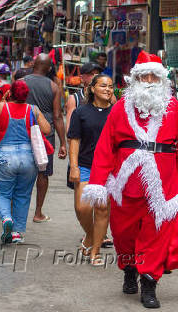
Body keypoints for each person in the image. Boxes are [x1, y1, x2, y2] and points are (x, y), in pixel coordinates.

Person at [82, 51, 178, 308]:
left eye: (155, 75)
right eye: (144, 75)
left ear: (162, 78)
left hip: (162, 186)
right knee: (123, 234)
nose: (150, 80)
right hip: (125, 185)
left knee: (155, 236)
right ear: (135, 78)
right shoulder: (120, 107)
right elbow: (105, 146)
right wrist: (98, 180)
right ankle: (129, 269)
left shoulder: (174, 107)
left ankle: (149, 284)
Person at [0, 80, 51, 243]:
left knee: (3, 193)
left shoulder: (2, 107)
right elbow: (47, 129)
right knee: (22, 195)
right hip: (28, 159)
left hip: (5, 158)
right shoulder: (32, 109)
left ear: (11, 93)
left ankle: (6, 218)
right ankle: (16, 233)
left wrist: (1, 102)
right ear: (26, 95)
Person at [68, 74, 113, 265]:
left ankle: (95, 251)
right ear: (93, 88)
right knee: (82, 208)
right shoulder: (81, 112)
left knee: (102, 210)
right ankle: (90, 235)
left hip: (109, 169)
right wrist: (74, 167)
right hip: (86, 165)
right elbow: (74, 141)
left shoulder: (117, 112)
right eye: (103, 86)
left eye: (111, 87)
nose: (108, 89)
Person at [24, 54, 67, 223]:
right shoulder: (53, 86)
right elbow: (57, 116)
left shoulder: (22, 82)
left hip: (24, 132)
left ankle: (14, 211)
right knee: (43, 174)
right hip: (45, 136)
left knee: (22, 173)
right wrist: (63, 143)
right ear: (49, 68)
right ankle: (38, 213)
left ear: (33, 64)